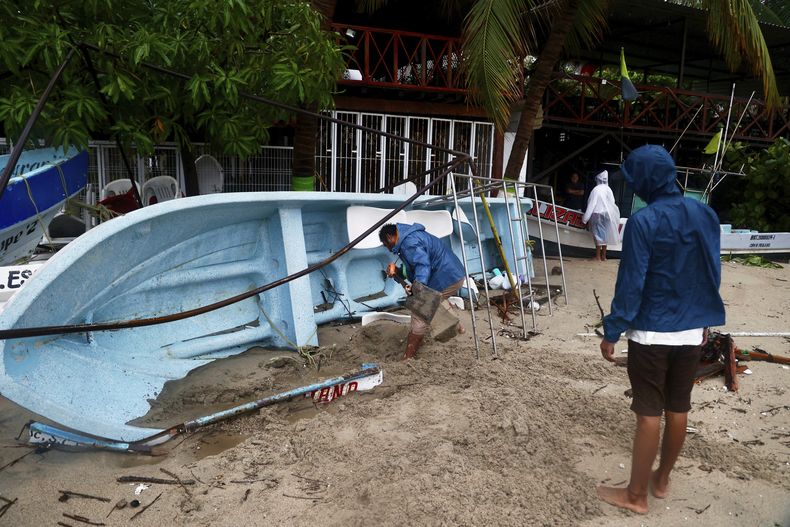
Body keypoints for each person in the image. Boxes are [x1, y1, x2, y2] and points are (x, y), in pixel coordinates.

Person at [596, 145, 726, 514]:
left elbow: (632, 282)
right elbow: (711, 271)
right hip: (690, 331)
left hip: (652, 333)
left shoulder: (643, 221)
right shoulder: (705, 214)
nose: (634, 188)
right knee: (679, 406)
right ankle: (662, 479)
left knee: (649, 412)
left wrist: (613, 330)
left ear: (646, 182)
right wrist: (703, 319)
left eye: (635, 181)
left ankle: (636, 496)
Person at [379, 223, 465, 360]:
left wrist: (418, 291)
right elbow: (414, 269)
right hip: (453, 274)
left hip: (447, 277)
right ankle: (460, 329)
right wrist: (397, 272)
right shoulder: (411, 238)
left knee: (420, 313)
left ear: (390, 237)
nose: (387, 248)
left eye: (385, 244)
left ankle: (409, 356)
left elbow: (422, 265)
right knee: (436, 300)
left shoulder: (408, 243)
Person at [582, 170, 620, 261]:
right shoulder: (608, 189)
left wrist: (585, 219)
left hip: (597, 214)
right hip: (607, 214)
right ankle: (604, 256)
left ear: (598, 179)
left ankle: (598, 257)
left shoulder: (596, 189)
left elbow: (591, 204)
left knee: (598, 235)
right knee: (605, 235)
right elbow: (612, 202)